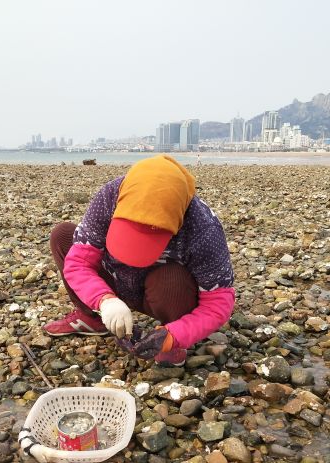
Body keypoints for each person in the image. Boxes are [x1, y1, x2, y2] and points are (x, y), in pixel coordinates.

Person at [43, 155, 235, 366]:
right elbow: (79, 261)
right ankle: (93, 317)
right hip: (114, 278)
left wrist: (174, 335)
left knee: (173, 278)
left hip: (159, 291)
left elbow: (217, 304)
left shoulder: (203, 228)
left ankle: (171, 339)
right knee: (63, 235)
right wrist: (104, 300)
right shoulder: (110, 197)